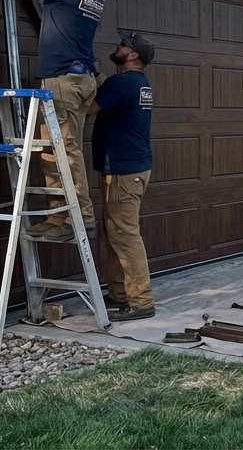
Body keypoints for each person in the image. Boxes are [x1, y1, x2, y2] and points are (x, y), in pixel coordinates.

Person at [0, 0, 105, 242]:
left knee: (65, 152)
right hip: (81, 80)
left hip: (63, 81)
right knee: (54, 151)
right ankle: (60, 217)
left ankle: (79, 220)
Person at [90, 31, 156, 321]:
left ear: (133, 55)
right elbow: (114, 96)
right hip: (133, 167)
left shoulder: (122, 83)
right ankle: (119, 294)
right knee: (116, 232)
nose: (117, 47)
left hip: (123, 170)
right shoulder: (139, 83)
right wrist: (100, 79)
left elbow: (89, 107)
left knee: (125, 235)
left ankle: (141, 302)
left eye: (122, 45)